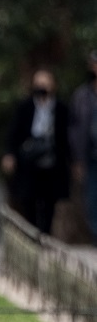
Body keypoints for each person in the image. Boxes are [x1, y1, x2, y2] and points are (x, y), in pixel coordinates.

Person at [1, 68, 70, 235]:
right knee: (28, 200)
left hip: (52, 162)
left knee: (49, 202)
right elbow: (14, 133)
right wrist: (10, 154)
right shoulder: (24, 107)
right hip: (29, 162)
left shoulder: (61, 109)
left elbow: (67, 138)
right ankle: (32, 235)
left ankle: (45, 235)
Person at [69, 50, 97, 242]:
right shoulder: (82, 96)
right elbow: (75, 130)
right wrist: (76, 159)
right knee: (92, 200)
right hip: (90, 157)